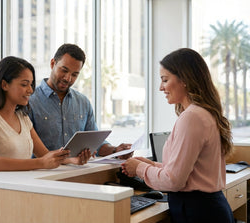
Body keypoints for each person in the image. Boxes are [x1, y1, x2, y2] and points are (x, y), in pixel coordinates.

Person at [121, 48, 234, 223]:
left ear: (185, 80)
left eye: (165, 80)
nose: (160, 87)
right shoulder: (203, 113)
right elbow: (190, 171)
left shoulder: (192, 117)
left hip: (198, 213)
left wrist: (139, 169)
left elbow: (174, 181)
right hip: (207, 209)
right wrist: (152, 164)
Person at [0, 56, 91, 173]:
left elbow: (45, 155)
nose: (30, 90)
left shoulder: (22, 117)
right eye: (24, 84)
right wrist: (40, 163)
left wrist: (73, 160)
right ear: (4, 85)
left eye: (31, 84)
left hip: (23, 188)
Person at [28, 43, 131, 157]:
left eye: (74, 74)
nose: (68, 78)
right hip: (42, 173)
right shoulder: (30, 100)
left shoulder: (83, 102)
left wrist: (116, 151)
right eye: (64, 70)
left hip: (79, 172)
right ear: (53, 64)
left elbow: (96, 144)